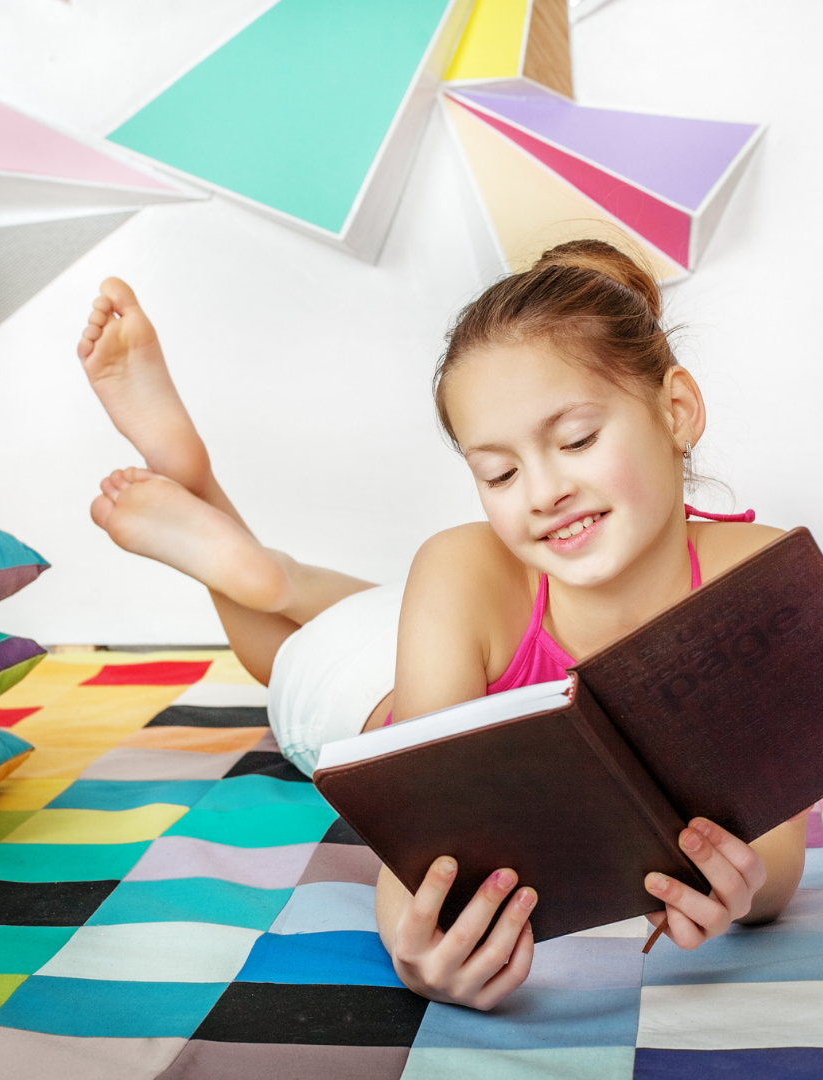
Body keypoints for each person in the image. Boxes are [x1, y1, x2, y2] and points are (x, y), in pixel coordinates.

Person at [75, 240, 806, 1011]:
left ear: (676, 411)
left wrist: (743, 888)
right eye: (500, 473)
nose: (546, 491)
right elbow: (415, 832)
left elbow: (778, 849)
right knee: (286, 652)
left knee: (388, 607)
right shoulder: (463, 564)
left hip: (432, 618)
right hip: (369, 685)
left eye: (578, 440)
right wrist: (410, 947)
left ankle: (278, 572)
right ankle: (215, 515)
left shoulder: (757, 579)